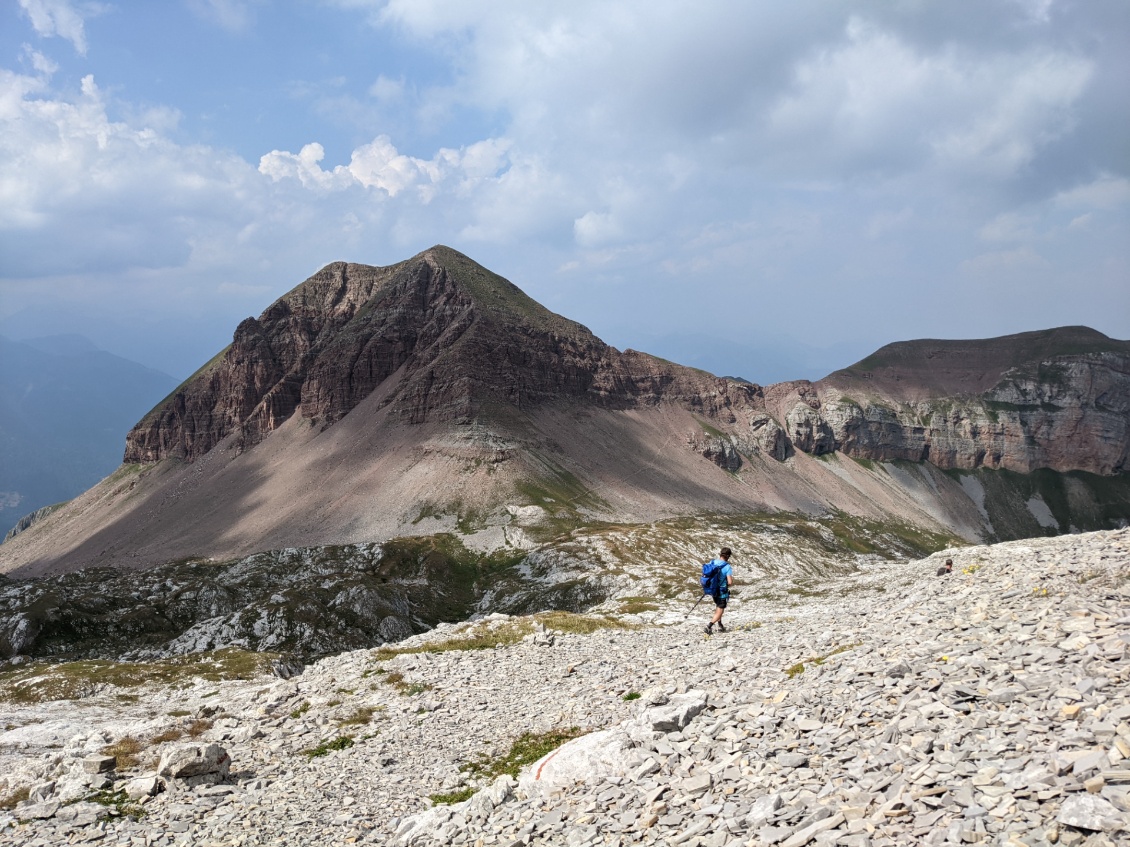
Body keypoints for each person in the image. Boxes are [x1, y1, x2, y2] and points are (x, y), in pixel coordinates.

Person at [704, 547, 733, 635]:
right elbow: (730, 582)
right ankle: (709, 626)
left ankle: (720, 625)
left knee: (718, 606)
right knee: (720, 609)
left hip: (713, 589)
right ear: (728, 556)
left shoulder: (712, 562)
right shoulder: (727, 567)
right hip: (722, 591)